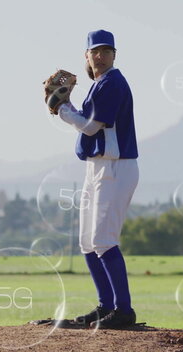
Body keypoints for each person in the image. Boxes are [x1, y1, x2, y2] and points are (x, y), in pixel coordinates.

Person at [55, 29, 139, 329]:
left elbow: (91, 128)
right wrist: (69, 108)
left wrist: (62, 109)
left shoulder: (113, 82)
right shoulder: (99, 84)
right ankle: (106, 306)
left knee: (103, 240)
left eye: (106, 50)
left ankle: (123, 310)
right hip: (97, 166)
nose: (100, 55)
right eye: (95, 51)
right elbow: (91, 124)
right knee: (87, 243)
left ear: (115, 55)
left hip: (116, 167)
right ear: (87, 56)